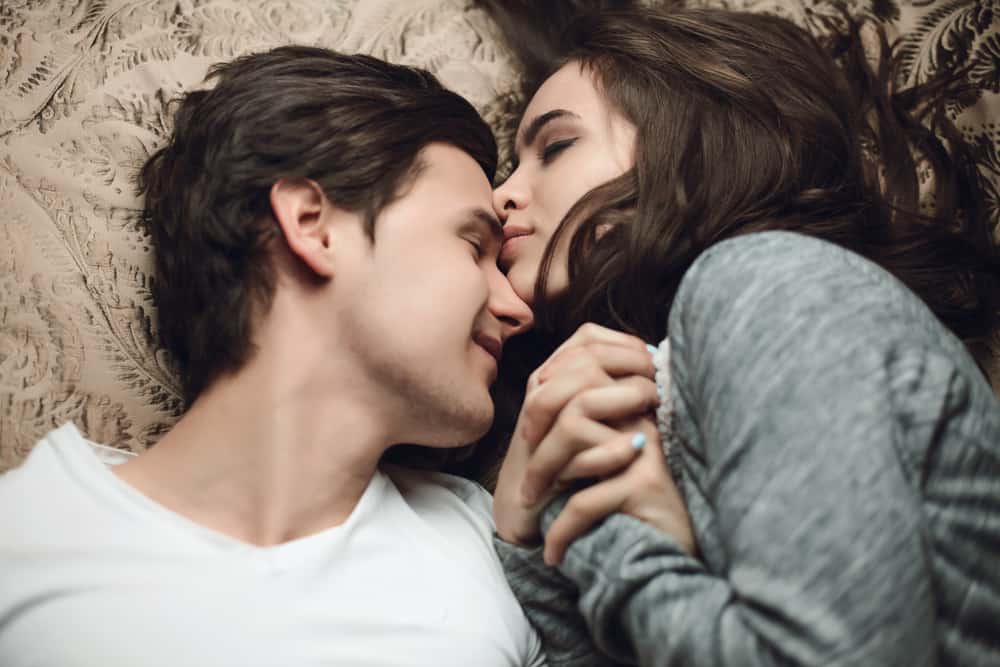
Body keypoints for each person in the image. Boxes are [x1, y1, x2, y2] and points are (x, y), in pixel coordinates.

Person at [475, 3, 1000, 666]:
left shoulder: (768, 283)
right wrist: (533, 541)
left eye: (554, 147)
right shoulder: (663, 370)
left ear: (686, 148)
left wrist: (624, 545)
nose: (501, 198)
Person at [0, 46, 546, 667]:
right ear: (312, 225)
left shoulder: (492, 551)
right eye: (473, 245)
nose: (516, 307)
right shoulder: (23, 544)